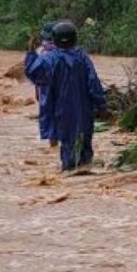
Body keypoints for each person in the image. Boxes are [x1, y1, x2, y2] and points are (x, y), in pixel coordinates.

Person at [24, 20, 107, 171]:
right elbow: (93, 83)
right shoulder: (82, 57)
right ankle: (83, 173)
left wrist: (30, 51)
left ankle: (70, 173)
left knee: (68, 144)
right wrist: (101, 105)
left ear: (54, 40)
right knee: (84, 142)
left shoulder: (49, 59)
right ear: (75, 38)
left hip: (61, 110)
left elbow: (32, 72)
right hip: (84, 109)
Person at [34, 22, 58, 146]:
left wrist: (37, 92)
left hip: (45, 90)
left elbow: (36, 75)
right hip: (62, 88)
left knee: (50, 118)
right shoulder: (65, 50)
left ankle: (53, 145)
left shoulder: (40, 52)